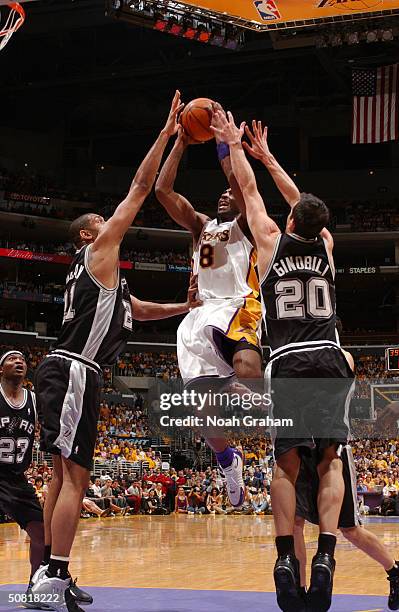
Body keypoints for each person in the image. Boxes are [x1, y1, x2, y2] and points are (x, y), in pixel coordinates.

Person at [32, 92, 200, 611]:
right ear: (89, 233)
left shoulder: (108, 286)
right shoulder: (99, 249)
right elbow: (139, 188)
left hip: (67, 372)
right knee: (75, 477)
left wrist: (184, 307)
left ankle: (48, 572)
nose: (115, 224)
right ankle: (52, 576)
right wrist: (168, 131)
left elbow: (139, 310)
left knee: (61, 476)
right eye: (104, 220)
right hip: (76, 371)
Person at [211, 111, 354, 612]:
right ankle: (327, 557)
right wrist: (272, 159)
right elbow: (308, 209)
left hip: (291, 359)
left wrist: (239, 148)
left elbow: (250, 193)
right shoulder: (329, 248)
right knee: (329, 459)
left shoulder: (271, 241)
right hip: (332, 358)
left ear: (290, 222)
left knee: (286, 464)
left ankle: (283, 559)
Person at [155, 102, 263, 507]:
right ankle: (227, 460)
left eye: (227, 196)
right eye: (218, 195)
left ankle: (287, 428)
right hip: (198, 314)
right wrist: (181, 141)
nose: (222, 197)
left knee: (249, 372)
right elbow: (163, 191)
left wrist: (223, 143)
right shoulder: (202, 227)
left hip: (237, 304)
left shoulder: (247, 224)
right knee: (202, 415)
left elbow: (239, 184)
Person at [294, 341, 399, 611]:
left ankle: (395, 571)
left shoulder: (341, 356)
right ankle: (298, 592)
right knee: (294, 523)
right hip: (298, 448)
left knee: (350, 529)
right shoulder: (292, 355)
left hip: (332, 450)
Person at [0, 350, 91, 609]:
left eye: (22, 360)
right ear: (1, 369)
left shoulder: (33, 400)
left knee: (43, 532)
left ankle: (35, 590)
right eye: (11, 359)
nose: (19, 362)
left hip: (15, 478)